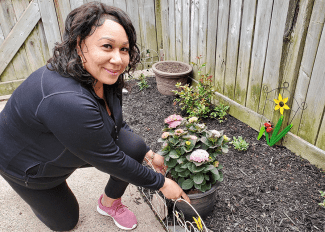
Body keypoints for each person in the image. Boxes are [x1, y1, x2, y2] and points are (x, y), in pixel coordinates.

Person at [0, 2, 189, 231]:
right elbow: (110, 159)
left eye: (124, 49)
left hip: (67, 141)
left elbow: (115, 123)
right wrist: (161, 183)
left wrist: (149, 155)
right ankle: (29, 190)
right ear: (80, 45)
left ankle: (109, 203)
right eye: (107, 46)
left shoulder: (104, 76)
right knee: (66, 222)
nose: (118, 59)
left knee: (135, 147)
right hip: (27, 166)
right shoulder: (67, 99)